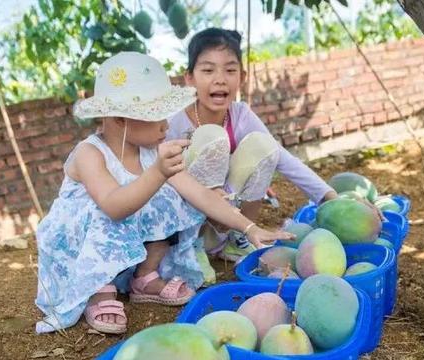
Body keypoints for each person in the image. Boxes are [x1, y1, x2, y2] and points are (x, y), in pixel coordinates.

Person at [35, 51, 292, 335]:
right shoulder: (90, 153)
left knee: (168, 199)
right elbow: (113, 206)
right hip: (82, 247)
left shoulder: (149, 153)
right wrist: (157, 174)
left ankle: (145, 276)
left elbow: (199, 193)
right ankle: (99, 289)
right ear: (120, 119)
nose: (166, 125)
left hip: (120, 242)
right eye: (156, 117)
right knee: (113, 208)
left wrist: (249, 226)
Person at [166, 27, 337, 270]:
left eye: (230, 70)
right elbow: (160, 178)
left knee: (264, 145)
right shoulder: (174, 122)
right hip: (185, 222)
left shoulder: (240, 115)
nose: (220, 79)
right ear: (189, 78)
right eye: (207, 70)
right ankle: (191, 248)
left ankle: (238, 238)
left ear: (242, 77)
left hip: (228, 219)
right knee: (209, 137)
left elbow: (283, 159)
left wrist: (331, 198)